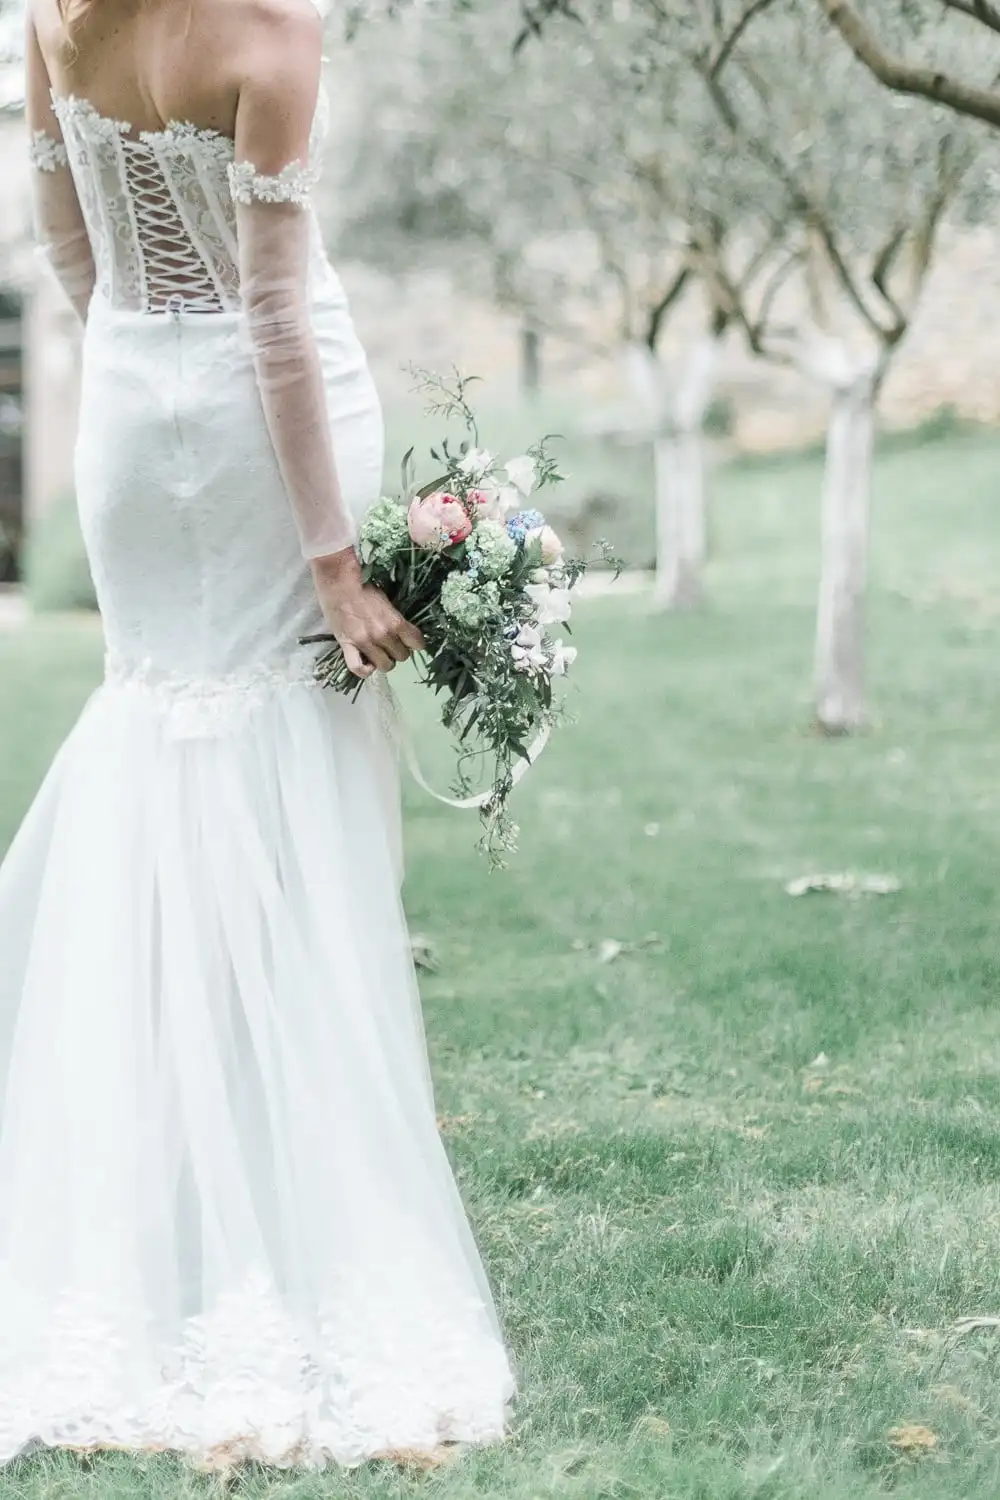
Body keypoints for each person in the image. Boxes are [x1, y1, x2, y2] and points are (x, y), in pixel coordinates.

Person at [0, 0, 514, 1468]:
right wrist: (338, 567)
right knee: (285, 765)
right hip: (258, 432)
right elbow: (277, 321)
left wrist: (138, 368)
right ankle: (283, 1219)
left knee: (154, 741)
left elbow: (62, 230)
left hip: (129, 417)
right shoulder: (270, 32)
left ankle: (146, 1220)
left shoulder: (58, 13)